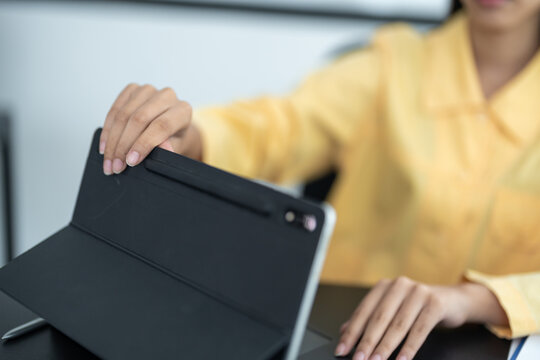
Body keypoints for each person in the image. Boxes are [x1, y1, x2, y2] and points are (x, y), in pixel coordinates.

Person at [98, 0, 540, 359]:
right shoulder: (393, 62)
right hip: (345, 337)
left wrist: (471, 300)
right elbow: (282, 124)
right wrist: (190, 136)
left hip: (492, 345)